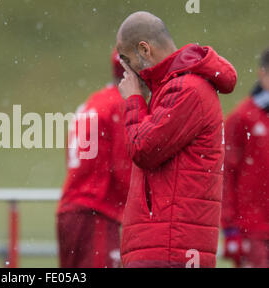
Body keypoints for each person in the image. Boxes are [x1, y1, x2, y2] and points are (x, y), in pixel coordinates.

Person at [116, 11, 237, 268]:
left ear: (144, 50)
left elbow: (143, 150)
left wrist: (134, 100)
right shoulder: (177, 87)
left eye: (127, 61)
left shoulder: (186, 89)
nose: (127, 72)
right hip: (168, 243)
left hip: (170, 246)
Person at [57, 49, 131, 268]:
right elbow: (123, 166)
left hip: (71, 209)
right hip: (97, 210)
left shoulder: (93, 101)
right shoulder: (121, 104)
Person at [222, 47, 269, 268]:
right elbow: (225, 173)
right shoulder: (242, 118)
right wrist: (230, 227)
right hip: (253, 229)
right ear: (262, 73)